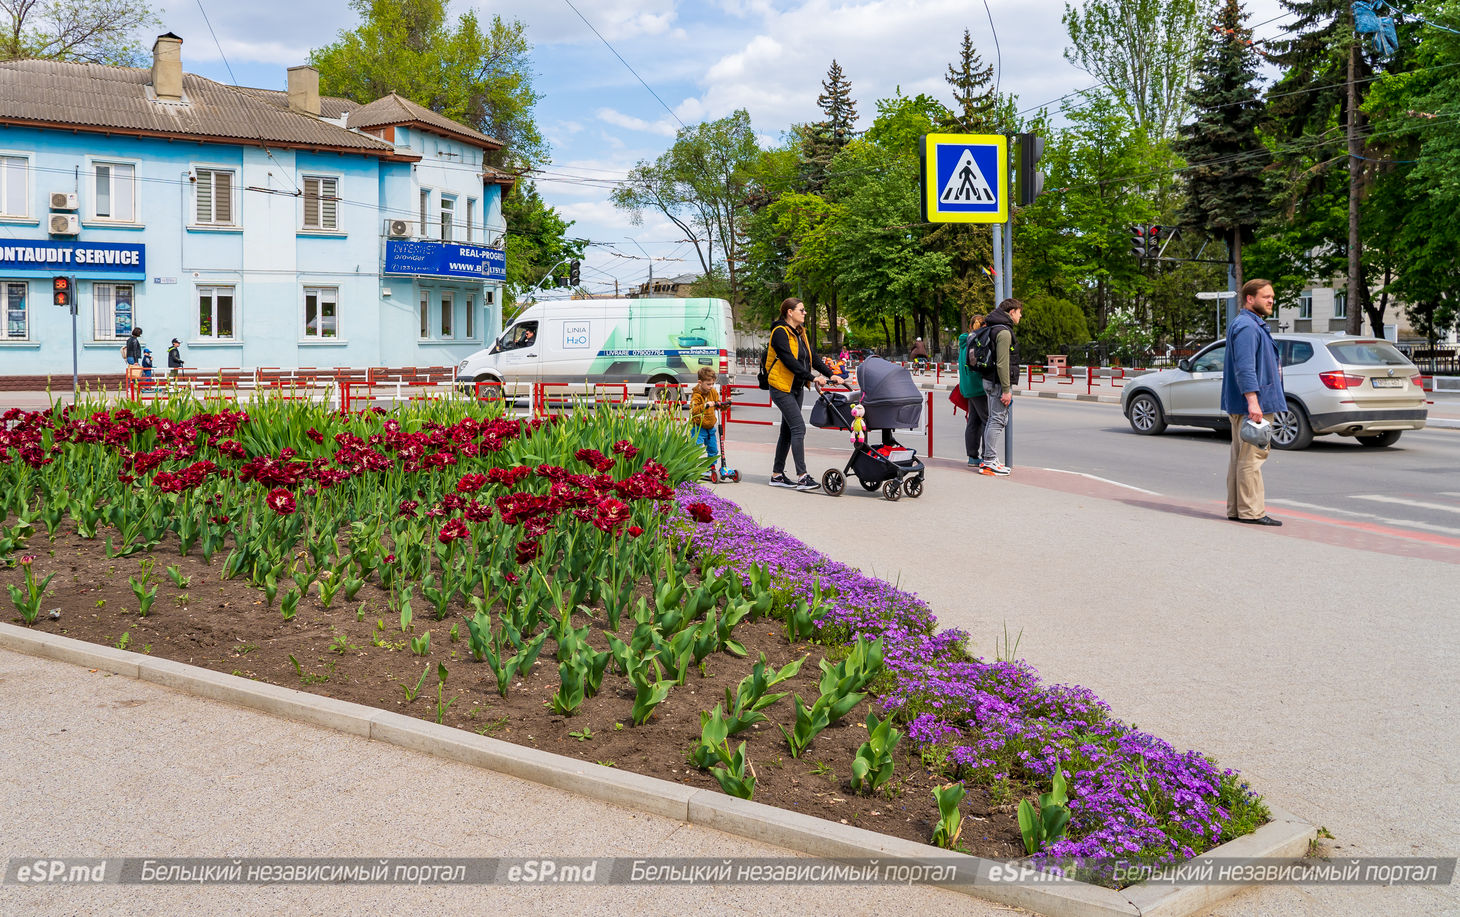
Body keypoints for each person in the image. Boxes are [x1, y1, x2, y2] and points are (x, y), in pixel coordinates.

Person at [1221, 279, 1286, 526]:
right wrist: (1253, 402)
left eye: (1272, 296)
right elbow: (1245, 368)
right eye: (1266, 296)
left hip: (1246, 403)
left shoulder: (1248, 324)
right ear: (1250, 298)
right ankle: (1252, 511)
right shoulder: (1248, 326)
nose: (1271, 300)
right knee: (1253, 458)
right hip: (1254, 405)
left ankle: (1238, 509)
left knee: (1240, 457)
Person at [765, 297, 844, 491]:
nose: (804, 313)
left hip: (796, 387)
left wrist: (830, 374)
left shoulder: (800, 333)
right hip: (781, 386)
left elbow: (812, 358)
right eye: (801, 309)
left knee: (787, 430)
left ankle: (777, 475)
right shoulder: (779, 332)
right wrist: (812, 377)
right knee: (799, 428)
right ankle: (802, 477)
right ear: (789, 312)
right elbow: (788, 361)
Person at [979, 299, 1023, 476]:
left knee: (993, 420)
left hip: (989, 380)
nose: (1021, 316)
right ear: (1011, 312)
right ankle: (989, 461)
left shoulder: (992, 327)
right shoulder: (1004, 332)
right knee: (997, 420)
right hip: (998, 383)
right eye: (1019, 312)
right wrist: (1006, 390)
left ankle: (989, 459)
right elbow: (1003, 364)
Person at [958, 315, 990, 468]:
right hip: (978, 387)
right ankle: (986, 457)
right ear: (984, 326)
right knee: (987, 421)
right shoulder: (977, 342)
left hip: (967, 388)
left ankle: (972, 457)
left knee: (974, 421)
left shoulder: (964, 342)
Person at [689, 367, 721, 477]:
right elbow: (694, 410)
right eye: (708, 384)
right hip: (699, 427)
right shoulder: (696, 395)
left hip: (710, 427)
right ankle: (692, 467)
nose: (711, 386)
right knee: (695, 449)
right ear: (700, 382)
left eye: (712, 384)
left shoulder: (713, 392)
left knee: (713, 449)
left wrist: (725, 404)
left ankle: (710, 467)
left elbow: (718, 403)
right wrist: (706, 405)